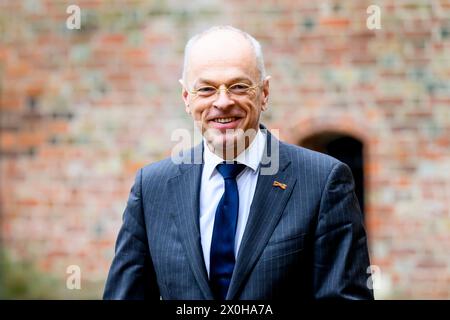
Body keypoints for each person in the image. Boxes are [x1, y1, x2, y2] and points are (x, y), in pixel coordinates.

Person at [103, 25, 374, 300]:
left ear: (264, 92)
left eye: (239, 86)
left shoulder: (322, 182)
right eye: (206, 89)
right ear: (187, 98)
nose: (223, 101)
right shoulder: (152, 188)